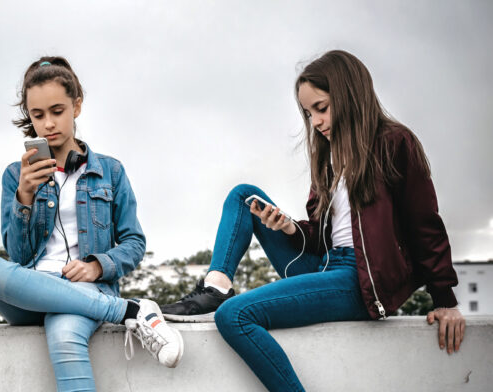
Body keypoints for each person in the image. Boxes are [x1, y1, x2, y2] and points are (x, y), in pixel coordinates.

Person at [160, 50, 463, 391]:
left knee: (235, 316)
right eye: (309, 113)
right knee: (244, 196)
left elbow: (425, 224)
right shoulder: (331, 157)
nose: (316, 122)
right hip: (325, 266)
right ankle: (216, 287)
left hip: (358, 281)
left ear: (350, 96)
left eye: (321, 108)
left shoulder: (393, 143)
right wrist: (289, 227)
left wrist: (444, 300)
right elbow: (322, 237)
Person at [0, 56, 183, 391]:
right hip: (33, 291)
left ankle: (113, 307)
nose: (48, 124)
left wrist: (97, 267)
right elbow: (18, 255)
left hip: (87, 289)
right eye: (38, 115)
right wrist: (25, 195)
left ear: (77, 106)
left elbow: (134, 242)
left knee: (64, 336)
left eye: (57, 111)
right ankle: (128, 310)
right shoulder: (16, 175)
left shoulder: (110, 172)